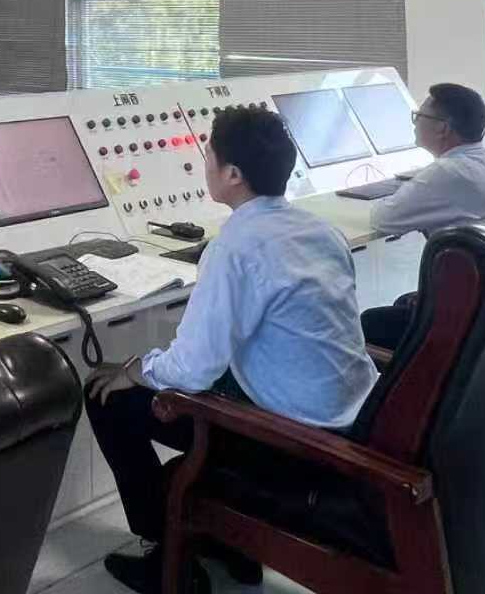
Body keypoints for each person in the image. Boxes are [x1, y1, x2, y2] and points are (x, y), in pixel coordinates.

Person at [85, 107, 377, 594]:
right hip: (351, 421)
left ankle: (169, 557)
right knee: (179, 373)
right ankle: (228, 545)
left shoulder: (234, 247)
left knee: (108, 398)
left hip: (289, 440)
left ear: (233, 175)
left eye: (209, 157)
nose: (205, 166)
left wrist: (134, 369)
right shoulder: (321, 230)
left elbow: (192, 370)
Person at [360, 82, 485, 349]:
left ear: (443, 128)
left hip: (473, 317)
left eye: (419, 116)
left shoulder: (447, 173)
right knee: (404, 302)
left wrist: (412, 190)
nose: (415, 122)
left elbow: (383, 218)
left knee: (369, 322)